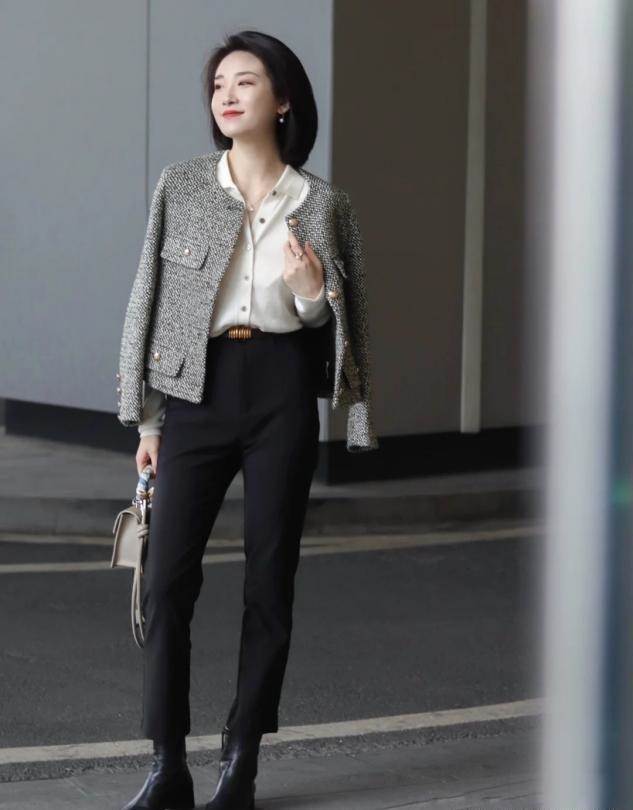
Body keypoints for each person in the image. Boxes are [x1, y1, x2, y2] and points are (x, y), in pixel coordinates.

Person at [117, 29, 379, 810]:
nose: (227, 95)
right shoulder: (182, 185)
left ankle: (242, 761)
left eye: (246, 82)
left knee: (269, 580)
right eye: (218, 84)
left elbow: (343, 322)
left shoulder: (323, 203)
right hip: (196, 392)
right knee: (165, 581)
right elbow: (149, 298)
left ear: (283, 99)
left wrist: (309, 290)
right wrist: (148, 423)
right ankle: (167, 763)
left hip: (281, 388)